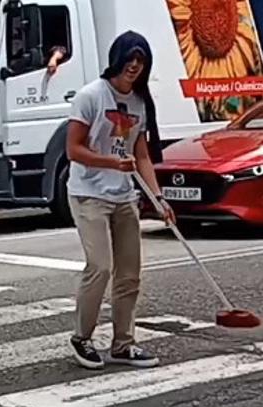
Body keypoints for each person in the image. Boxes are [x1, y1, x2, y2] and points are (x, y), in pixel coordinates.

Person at [65, 31, 175, 370]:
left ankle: (123, 344)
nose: (135, 66)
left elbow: (141, 155)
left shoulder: (139, 102)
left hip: (124, 195)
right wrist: (113, 162)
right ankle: (81, 337)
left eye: (141, 61)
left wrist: (158, 198)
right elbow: (74, 150)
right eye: (130, 59)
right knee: (100, 267)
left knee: (130, 273)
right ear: (117, 59)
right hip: (88, 195)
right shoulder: (90, 96)